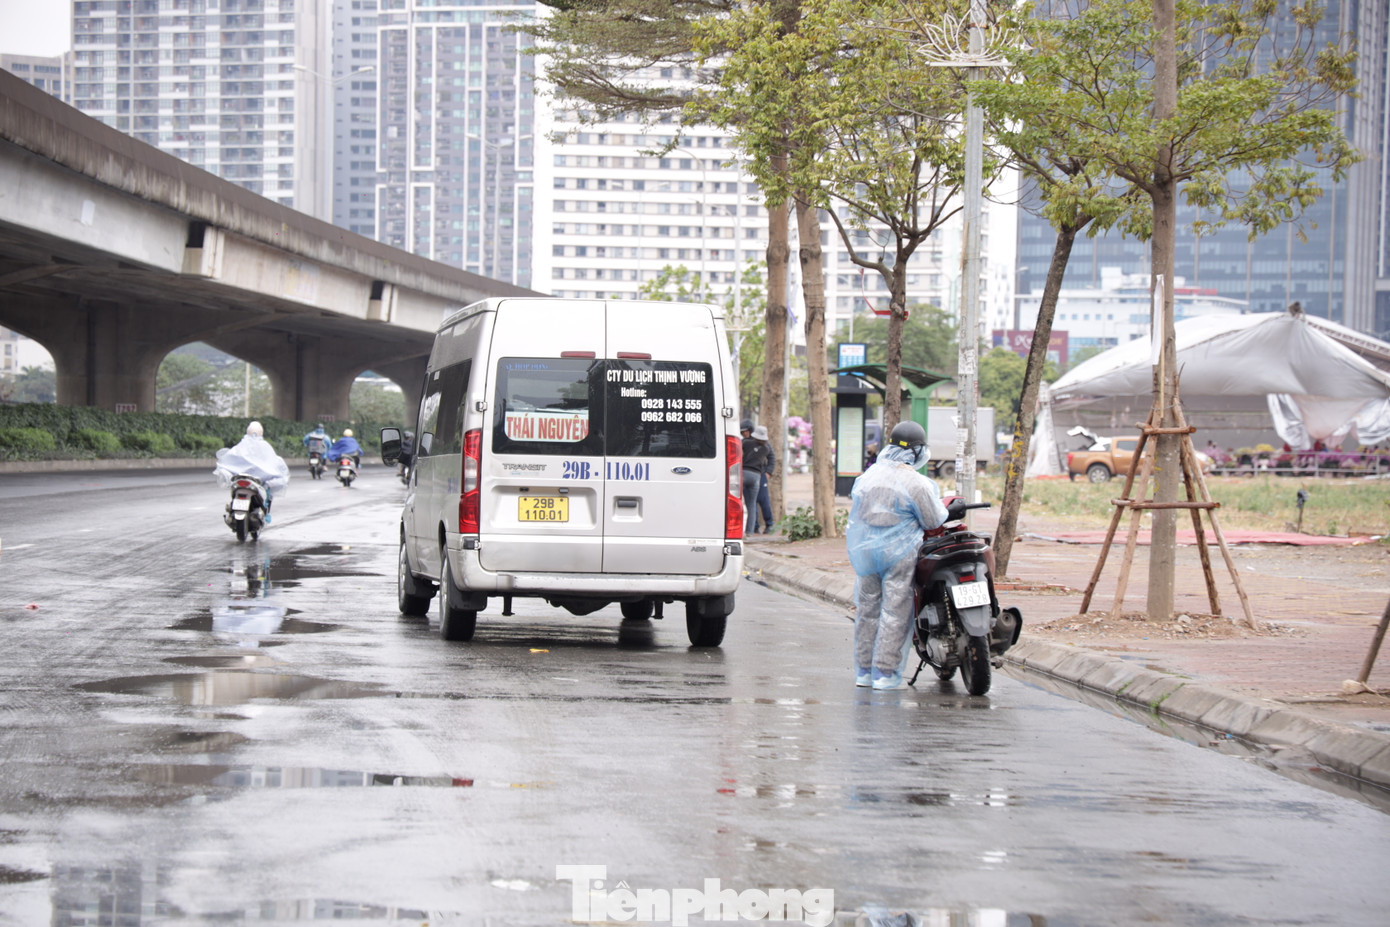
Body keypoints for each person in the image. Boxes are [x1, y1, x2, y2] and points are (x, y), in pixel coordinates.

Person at [845, 420, 948, 691]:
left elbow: (858, 515)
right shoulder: (916, 483)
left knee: (867, 610)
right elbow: (932, 519)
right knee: (894, 611)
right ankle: (884, 673)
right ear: (915, 451)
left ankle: (864, 672)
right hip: (898, 554)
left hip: (866, 553)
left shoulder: (868, 477)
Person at [214, 421, 290, 523]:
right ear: (261, 433)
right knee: (268, 492)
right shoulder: (264, 446)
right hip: (257, 483)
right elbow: (274, 464)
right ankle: (265, 514)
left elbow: (228, 458)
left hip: (241, 480)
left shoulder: (241, 445)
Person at [741, 423, 773, 535]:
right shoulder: (766, 449)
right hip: (756, 477)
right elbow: (770, 458)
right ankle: (749, 531)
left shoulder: (745, 443)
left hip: (743, 474)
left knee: (736, 501)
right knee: (752, 504)